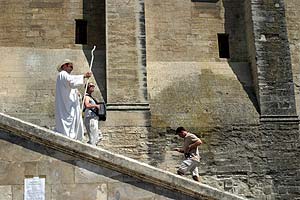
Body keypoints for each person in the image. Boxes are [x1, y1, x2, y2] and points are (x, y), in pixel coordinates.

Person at [55, 59, 92, 140]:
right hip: (67, 107)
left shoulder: (65, 76)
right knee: (67, 126)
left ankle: (74, 138)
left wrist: (77, 94)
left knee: (74, 124)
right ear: (64, 66)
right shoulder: (62, 74)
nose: (71, 68)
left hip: (71, 106)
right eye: (70, 66)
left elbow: (70, 87)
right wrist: (83, 76)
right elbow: (71, 81)